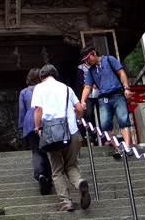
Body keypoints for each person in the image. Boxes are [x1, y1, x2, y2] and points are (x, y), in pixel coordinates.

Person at [32, 64, 91, 212]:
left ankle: (67, 202)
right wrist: (76, 121)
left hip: (52, 134)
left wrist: (38, 128)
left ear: (42, 77)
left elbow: (38, 109)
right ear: (55, 74)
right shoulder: (66, 88)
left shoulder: (39, 88)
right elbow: (79, 109)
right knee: (71, 165)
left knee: (57, 170)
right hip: (71, 132)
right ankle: (80, 183)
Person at [78, 44, 133, 158]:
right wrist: (83, 101)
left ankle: (127, 147)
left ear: (93, 53)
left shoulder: (109, 59)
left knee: (123, 120)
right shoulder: (91, 71)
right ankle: (117, 148)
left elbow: (121, 72)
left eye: (88, 58)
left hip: (117, 93)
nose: (87, 61)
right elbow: (87, 87)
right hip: (103, 98)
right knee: (105, 125)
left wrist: (126, 87)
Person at [18, 67, 52, 195]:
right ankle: (48, 177)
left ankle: (40, 175)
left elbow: (22, 111)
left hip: (30, 122)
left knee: (36, 151)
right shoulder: (45, 90)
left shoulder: (24, 92)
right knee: (47, 150)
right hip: (45, 121)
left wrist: (22, 127)